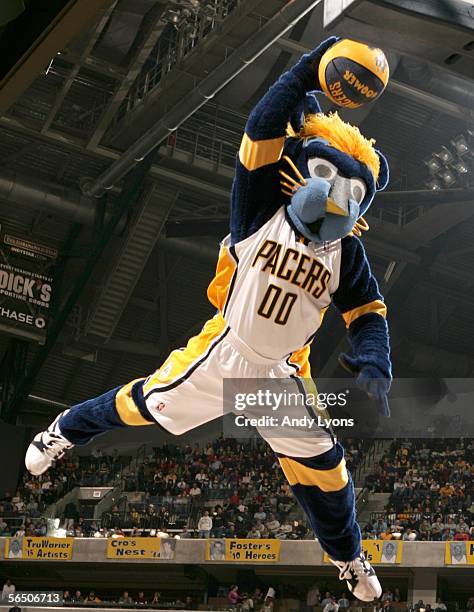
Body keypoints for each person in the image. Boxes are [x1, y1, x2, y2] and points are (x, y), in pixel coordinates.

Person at [26, 37, 391, 603]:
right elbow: (262, 126)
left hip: (281, 374)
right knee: (142, 404)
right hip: (226, 352)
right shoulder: (261, 207)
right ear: (301, 168)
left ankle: (348, 557)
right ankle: (63, 430)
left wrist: (373, 360)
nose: (337, 198)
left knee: (330, 472)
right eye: (326, 174)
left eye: (353, 193)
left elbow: (368, 310)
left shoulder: (347, 253)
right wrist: (310, 66)